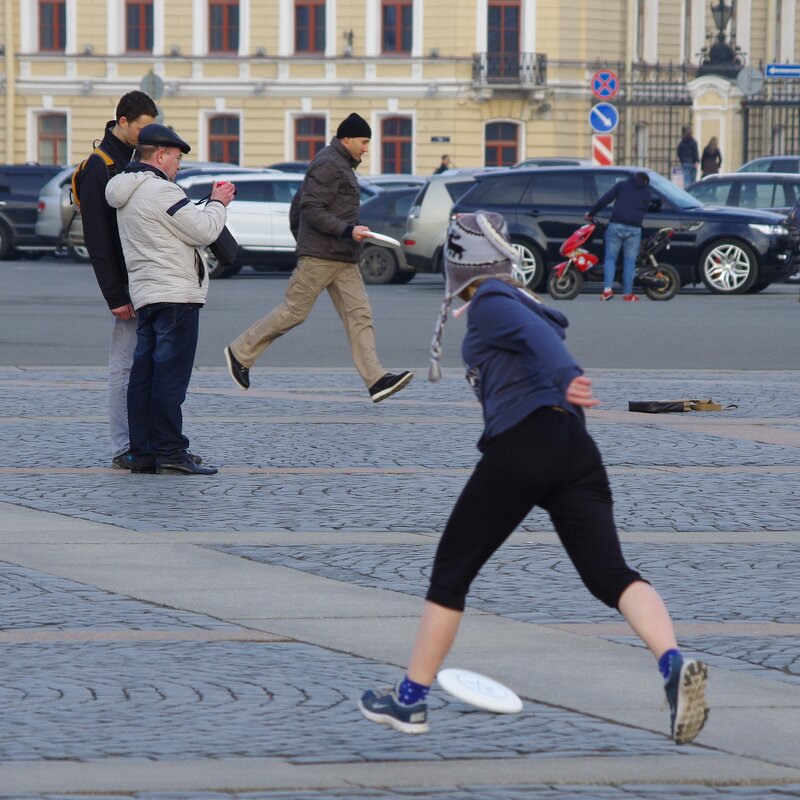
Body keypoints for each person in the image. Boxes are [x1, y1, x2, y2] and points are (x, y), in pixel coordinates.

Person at [358, 211, 709, 745]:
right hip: (575, 451)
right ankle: (672, 663)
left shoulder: (497, 305)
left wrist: (568, 375)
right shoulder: (517, 303)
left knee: (450, 574)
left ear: (463, 261)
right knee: (609, 574)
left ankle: (409, 701)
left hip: (525, 443)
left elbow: (542, 348)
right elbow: (533, 339)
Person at [224, 113, 412, 403]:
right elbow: (310, 207)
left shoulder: (339, 164)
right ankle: (240, 352)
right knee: (293, 312)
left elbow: (300, 204)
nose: (366, 148)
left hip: (343, 257)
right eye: (363, 142)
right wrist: (342, 232)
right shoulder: (329, 164)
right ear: (346, 139)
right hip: (322, 257)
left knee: (360, 316)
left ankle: (375, 379)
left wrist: (334, 235)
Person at [105, 124, 236, 475]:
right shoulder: (159, 191)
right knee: (169, 378)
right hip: (176, 295)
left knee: (144, 375)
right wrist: (218, 203)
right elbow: (205, 230)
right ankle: (170, 451)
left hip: (148, 294)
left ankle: (144, 451)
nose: (178, 165)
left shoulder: (127, 190)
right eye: (177, 158)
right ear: (160, 155)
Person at [76, 91, 158, 469]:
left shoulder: (134, 158)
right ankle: (122, 444)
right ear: (122, 122)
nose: (147, 134)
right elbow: (98, 238)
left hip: (148, 277)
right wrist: (114, 294)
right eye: (142, 127)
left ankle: (146, 439)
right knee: (124, 366)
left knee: (149, 363)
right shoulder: (101, 165)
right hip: (126, 284)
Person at [585, 172, 651, 302]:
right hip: (634, 228)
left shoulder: (622, 185)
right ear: (645, 182)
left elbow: (605, 200)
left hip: (616, 225)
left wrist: (591, 213)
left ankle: (607, 291)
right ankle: (628, 294)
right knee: (630, 262)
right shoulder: (646, 192)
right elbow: (646, 208)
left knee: (610, 258)